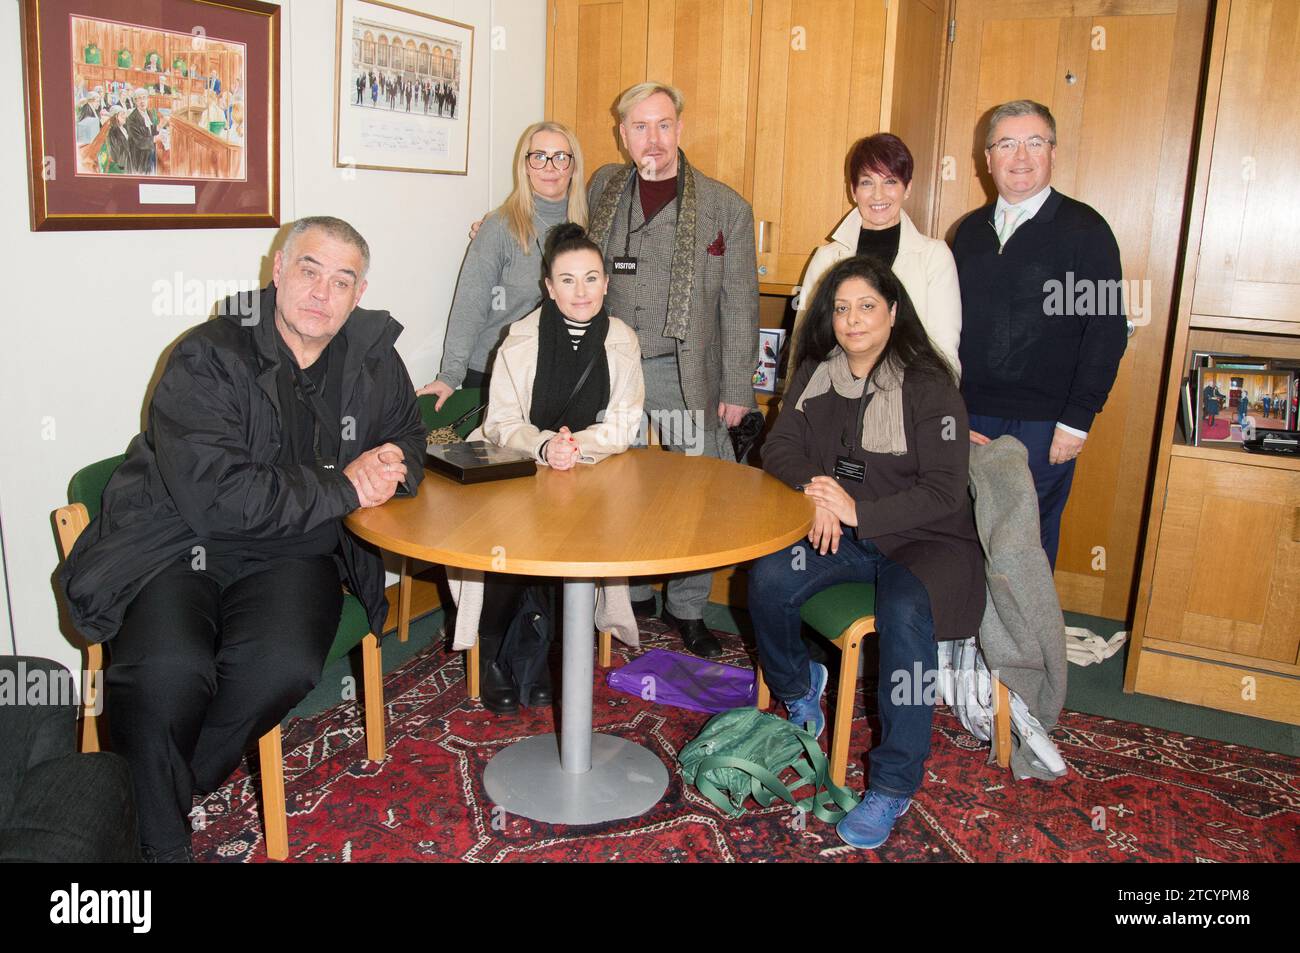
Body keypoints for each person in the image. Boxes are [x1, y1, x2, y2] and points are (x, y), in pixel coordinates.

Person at [59, 217, 427, 862]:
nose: (322, 292)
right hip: (177, 539)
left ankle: (162, 787)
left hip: (292, 550)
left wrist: (391, 460)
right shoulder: (207, 353)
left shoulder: (374, 357)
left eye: (342, 281)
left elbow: (410, 440)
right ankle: (160, 847)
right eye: (309, 271)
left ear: (359, 292)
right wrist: (343, 486)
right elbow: (219, 497)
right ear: (277, 269)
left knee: (282, 665)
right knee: (166, 673)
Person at [752, 255, 984, 850]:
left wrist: (860, 510)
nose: (852, 320)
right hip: (847, 535)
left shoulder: (931, 386)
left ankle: (893, 783)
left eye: (867, 306)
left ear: (894, 312)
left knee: (906, 615)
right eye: (841, 308)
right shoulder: (818, 373)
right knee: (769, 574)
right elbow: (777, 446)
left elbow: (942, 490)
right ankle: (802, 686)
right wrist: (819, 494)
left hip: (927, 541)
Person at [586, 81, 760, 657]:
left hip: (682, 373)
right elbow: (563, 248)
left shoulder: (723, 206)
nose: (652, 139)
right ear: (623, 134)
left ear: (681, 129)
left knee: (695, 493)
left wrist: (738, 388)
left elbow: (739, 303)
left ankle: (687, 609)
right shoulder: (604, 189)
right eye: (640, 126)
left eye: (663, 125)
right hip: (616, 372)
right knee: (622, 484)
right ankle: (631, 591)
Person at [452, 223, 643, 712]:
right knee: (503, 553)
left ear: (606, 282)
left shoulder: (622, 340)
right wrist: (544, 448)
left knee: (575, 556)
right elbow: (500, 421)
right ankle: (496, 656)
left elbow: (623, 424)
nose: (581, 292)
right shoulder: (520, 337)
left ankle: (539, 658)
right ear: (549, 287)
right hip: (518, 467)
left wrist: (574, 448)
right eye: (567, 280)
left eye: (591, 278)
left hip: (590, 472)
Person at [953, 99, 1126, 569]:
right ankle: (964, 644)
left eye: (1035, 142)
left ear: (1053, 152)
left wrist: (1076, 420)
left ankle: (1025, 645)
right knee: (963, 539)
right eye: (1007, 144)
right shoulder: (968, 233)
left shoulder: (1083, 231)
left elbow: (1106, 331)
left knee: (1024, 551)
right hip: (971, 419)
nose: (1021, 157)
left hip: (1043, 426)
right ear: (987, 159)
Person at [417, 121, 587, 408]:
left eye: (560, 157)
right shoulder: (499, 227)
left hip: (560, 375)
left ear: (573, 166)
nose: (550, 167)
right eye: (539, 157)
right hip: (495, 372)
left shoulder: (588, 228)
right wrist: (449, 375)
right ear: (526, 166)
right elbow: (470, 304)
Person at [794, 133, 961, 376]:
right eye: (867, 182)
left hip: (907, 400)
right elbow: (803, 347)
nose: (878, 195)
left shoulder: (934, 257)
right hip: (834, 399)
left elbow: (944, 352)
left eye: (890, 181)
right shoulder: (826, 259)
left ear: (908, 188)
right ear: (853, 190)